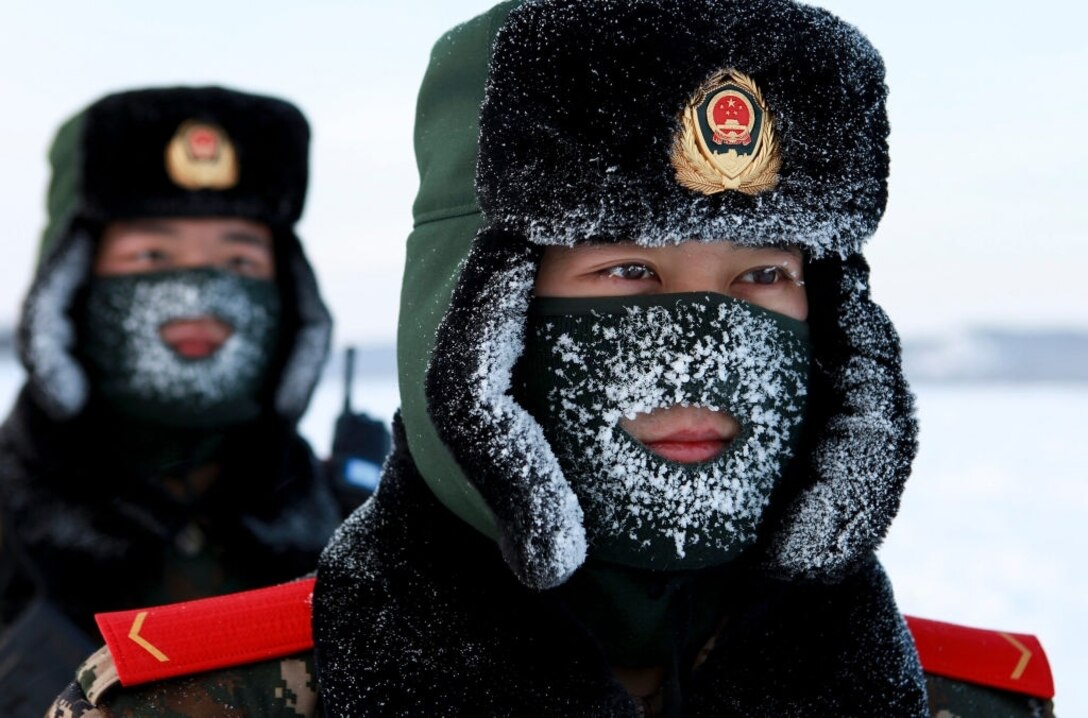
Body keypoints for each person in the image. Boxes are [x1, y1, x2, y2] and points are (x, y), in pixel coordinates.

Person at [48, 2, 1056, 716]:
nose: (702, 344)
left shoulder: (967, 703)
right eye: (623, 269)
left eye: (759, 277)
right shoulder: (193, 703)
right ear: (465, 312)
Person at [0, 86, 386, 716]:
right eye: (152, 255)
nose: (198, 295)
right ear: (71, 287)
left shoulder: (347, 526)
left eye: (238, 257)